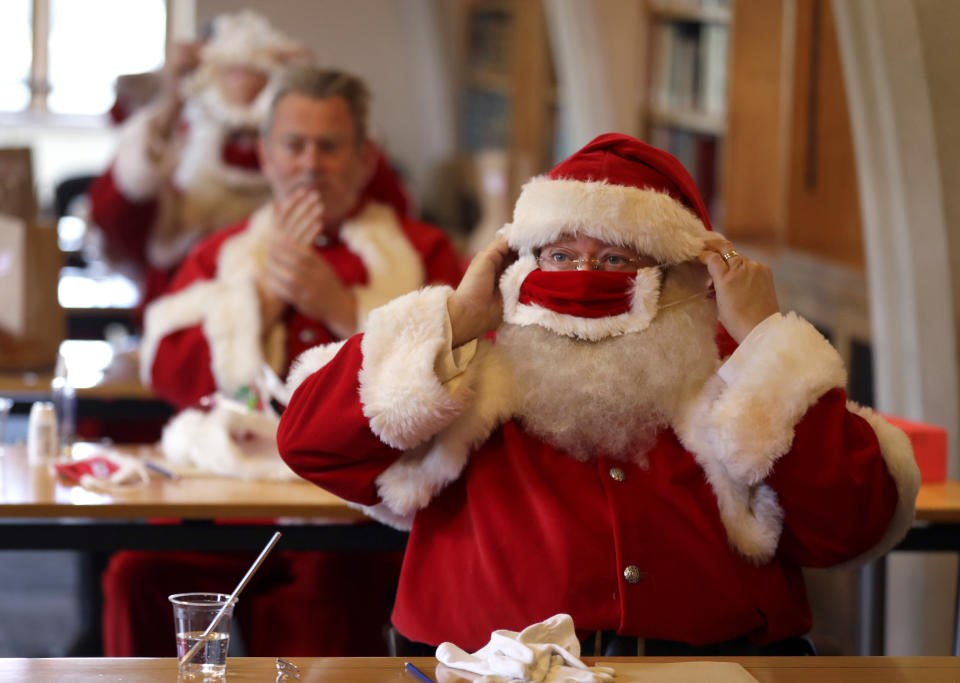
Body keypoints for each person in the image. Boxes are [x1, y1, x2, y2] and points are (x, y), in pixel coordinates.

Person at [277, 133, 920, 656]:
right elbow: (310, 442)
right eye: (560, 255)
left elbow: (854, 526)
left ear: (684, 273)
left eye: (616, 260)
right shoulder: (464, 363)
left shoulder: (740, 373)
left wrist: (765, 342)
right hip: (494, 674)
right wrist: (452, 321)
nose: (583, 277)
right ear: (521, 262)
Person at [100, 65, 463, 657]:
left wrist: (347, 310)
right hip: (234, 504)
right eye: (294, 145)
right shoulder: (225, 252)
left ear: (366, 159)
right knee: (137, 576)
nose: (310, 164)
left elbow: (461, 371)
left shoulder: (424, 251)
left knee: (319, 601)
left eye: (329, 146)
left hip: (355, 515)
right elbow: (167, 368)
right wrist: (260, 305)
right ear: (267, 157)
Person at [87, 10, 410, 312]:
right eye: (231, 67)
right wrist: (172, 101)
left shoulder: (306, 156)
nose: (311, 162)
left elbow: (381, 208)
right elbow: (116, 219)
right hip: (186, 306)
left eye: (257, 66)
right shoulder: (175, 141)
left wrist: (317, 101)